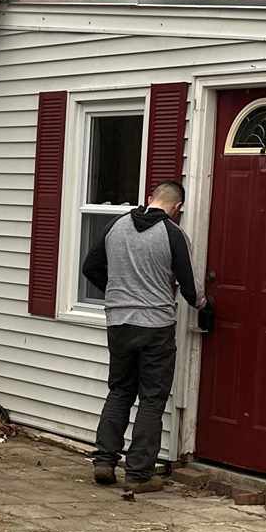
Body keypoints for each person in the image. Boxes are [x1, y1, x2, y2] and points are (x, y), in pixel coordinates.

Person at [81, 178, 213, 497]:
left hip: (119, 323)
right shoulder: (173, 234)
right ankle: (139, 474)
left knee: (120, 390)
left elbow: (90, 267)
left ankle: (104, 461)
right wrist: (206, 309)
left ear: (151, 197)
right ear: (177, 208)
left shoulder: (116, 226)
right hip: (155, 326)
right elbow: (191, 289)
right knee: (152, 399)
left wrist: (117, 292)